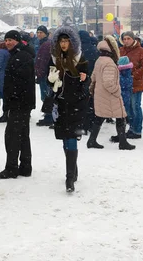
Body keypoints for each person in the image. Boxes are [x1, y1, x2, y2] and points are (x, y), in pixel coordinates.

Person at [46, 27, 89, 192]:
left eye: (66, 41)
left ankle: (69, 178)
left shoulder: (80, 59)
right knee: (65, 138)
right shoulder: (54, 59)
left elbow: (86, 82)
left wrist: (83, 80)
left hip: (76, 106)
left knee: (71, 138)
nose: (63, 44)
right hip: (60, 105)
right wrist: (51, 80)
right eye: (61, 41)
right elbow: (50, 82)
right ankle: (73, 169)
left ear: (72, 42)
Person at [0, 30, 36, 179]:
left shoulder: (20, 57)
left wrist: (11, 101)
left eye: (11, 39)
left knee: (12, 135)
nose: (8, 42)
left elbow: (20, 82)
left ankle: (11, 168)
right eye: (6, 40)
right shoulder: (19, 55)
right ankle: (25, 166)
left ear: (17, 41)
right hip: (23, 103)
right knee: (23, 135)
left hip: (19, 103)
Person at [91, 36, 136, 151]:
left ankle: (92, 140)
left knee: (100, 117)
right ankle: (123, 142)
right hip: (110, 95)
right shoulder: (109, 63)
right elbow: (109, 83)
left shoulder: (99, 60)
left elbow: (94, 77)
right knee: (121, 116)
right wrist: (117, 91)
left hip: (101, 94)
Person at [120, 31, 143, 139]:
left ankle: (137, 130)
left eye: (128, 38)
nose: (126, 41)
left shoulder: (141, 51)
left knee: (135, 106)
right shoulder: (121, 50)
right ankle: (131, 128)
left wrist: (134, 75)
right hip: (123, 84)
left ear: (133, 39)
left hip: (135, 83)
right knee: (127, 108)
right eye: (124, 39)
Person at [35, 25, 53, 127]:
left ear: (45, 34)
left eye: (41, 32)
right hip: (43, 73)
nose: (39, 34)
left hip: (45, 74)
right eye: (38, 32)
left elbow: (44, 61)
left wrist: (41, 72)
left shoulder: (47, 44)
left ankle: (49, 116)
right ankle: (48, 115)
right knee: (45, 95)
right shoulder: (42, 43)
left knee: (46, 96)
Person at [0, 41, 11, 122]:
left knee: (1, 94)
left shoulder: (1, 52)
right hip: (7, 74)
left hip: (1, 75)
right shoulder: (8, 52)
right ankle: (7, 113)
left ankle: (4, 114)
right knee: (6, 95)